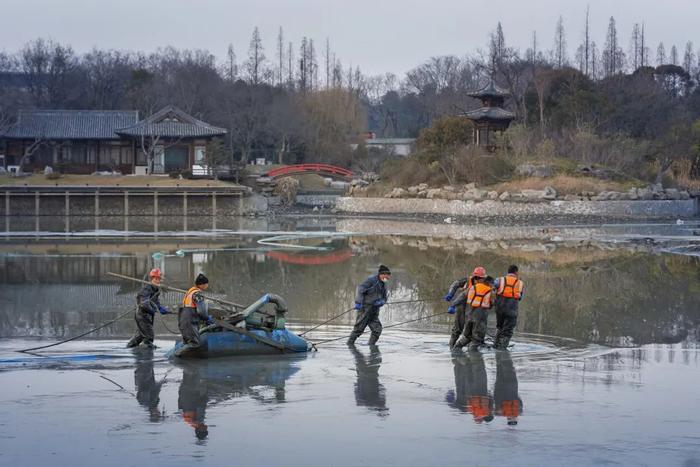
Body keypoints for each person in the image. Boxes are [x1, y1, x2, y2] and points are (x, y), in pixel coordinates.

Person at [126, 268, 170, 349]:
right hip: (142, 315)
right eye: (156, 279)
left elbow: (155, 302)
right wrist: (152, 310)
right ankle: (147, 353)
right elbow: (143, 303)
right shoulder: (147, 288)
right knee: (149, 335)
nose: (158, 281)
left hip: (148, 315)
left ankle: (129, 347)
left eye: (159, 279)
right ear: (152, 279)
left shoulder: (156, 289)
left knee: (140, 336)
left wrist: (161, 309)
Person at [347, 265, 391, 345]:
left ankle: (371, 346)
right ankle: (349, 345)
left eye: (389, 275)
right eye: (387, 275)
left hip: (374, 311)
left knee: (377, 330)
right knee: (358, 330)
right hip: (365, 309)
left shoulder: (384, 284)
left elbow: (385, 297)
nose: (388, 277)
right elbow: (360, 289)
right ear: (382, 274)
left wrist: (382, 302)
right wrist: (358, 302)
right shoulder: (371, 280)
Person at [454, 270, 494, 351]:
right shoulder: (490, 291)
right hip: (480, 319)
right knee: (477, 339)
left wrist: (453, 306)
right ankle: (473, 359)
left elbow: (461, 297)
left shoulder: (472, 287)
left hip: (469, 317)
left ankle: (456, 349)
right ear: (489, 283)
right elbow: (492, 304)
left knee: (467, 336)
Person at [446, 267, 485, 349]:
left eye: (481, 278)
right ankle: (452, 347)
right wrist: (451, 294)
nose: (479, 280)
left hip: (472, 309)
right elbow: (455, 285)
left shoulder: (483, 285)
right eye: (478, 278)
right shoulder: (467, 281)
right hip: (461, 306)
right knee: (457, 329)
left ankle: (466, 346)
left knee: (471, 330)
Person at [176, 273, 214, 356]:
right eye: (206, 283)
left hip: (183, 320)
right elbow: (201, 311)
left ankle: (185, 361)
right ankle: (177, 355)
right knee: (195, 343)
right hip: (190, 322)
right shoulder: (198, 294)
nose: (207, 285)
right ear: (202, 284)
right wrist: (207, 318)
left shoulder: (190, 292)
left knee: (188, 342)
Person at [493, 265, 525, 350]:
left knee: (499, 326)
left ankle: (495, 345)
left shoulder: (499, 279)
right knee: (507, 331)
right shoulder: (520, 283)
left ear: (508, 272)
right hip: (511, 309)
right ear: (516, 272)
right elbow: (520, 297)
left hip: (499, 308)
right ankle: (502, 349)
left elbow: (492, 289)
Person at [494, 351, 522, 426]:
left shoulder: (519, 411)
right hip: (501, 388)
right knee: (500, 370)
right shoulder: (501, 412)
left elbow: (519, 400)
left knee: (508, 370)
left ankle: (503, 353)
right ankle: (500, 354)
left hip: (511, 387)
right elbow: (497, 400)